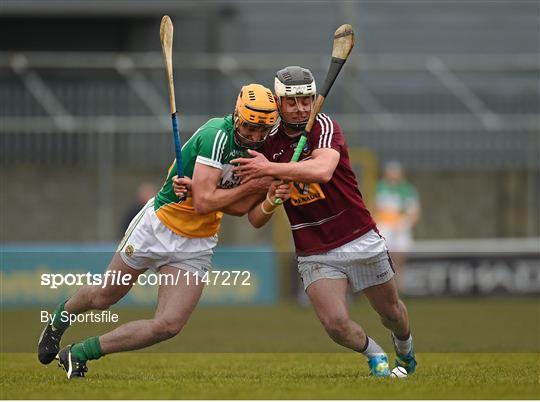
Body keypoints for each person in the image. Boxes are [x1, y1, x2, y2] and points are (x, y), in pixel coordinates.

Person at [38, 83, 290, 379]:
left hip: (197, 241)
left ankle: (79, 352)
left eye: (263, 130)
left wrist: (269, 196)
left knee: (168, 325)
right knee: (104, 296)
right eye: (250, 128)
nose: (256, 136)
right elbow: (206, 202)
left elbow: (238, 209)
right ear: (236, 116)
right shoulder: (216, 136)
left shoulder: (264, 151)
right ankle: (59, 319)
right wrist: (252, 185)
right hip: (158, 226)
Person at [231, 66, 417, 377]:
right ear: (278, 102)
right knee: (335, 324)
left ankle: (406, 350)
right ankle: (376, 355)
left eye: (305, 100)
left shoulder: (324, 126)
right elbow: (254, 219)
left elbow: (322, 171)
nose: (300, 107)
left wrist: (275, 170)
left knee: (390, 313)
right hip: (314, 247)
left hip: (357, 235)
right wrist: (272, 197)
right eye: (291, 101)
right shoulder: (267, 145)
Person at [374, 161, 420, 276]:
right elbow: (373, 209)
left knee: (400, 256)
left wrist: (404, 223)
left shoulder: (408, 190)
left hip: (401, 228)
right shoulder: (379, 188)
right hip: (384, 227)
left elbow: (415, 213)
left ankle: (397, 283)